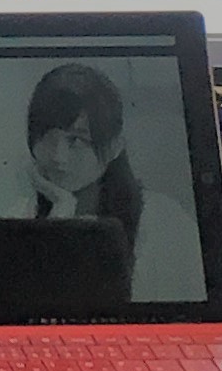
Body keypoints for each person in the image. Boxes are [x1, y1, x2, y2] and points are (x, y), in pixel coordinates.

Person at [24, 62, 143, 271]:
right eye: (47, 137)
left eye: (76, 140)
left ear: (115, 147)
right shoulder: (20, 217)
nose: (58, 157)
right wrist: (62, 208)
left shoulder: (160, 220)